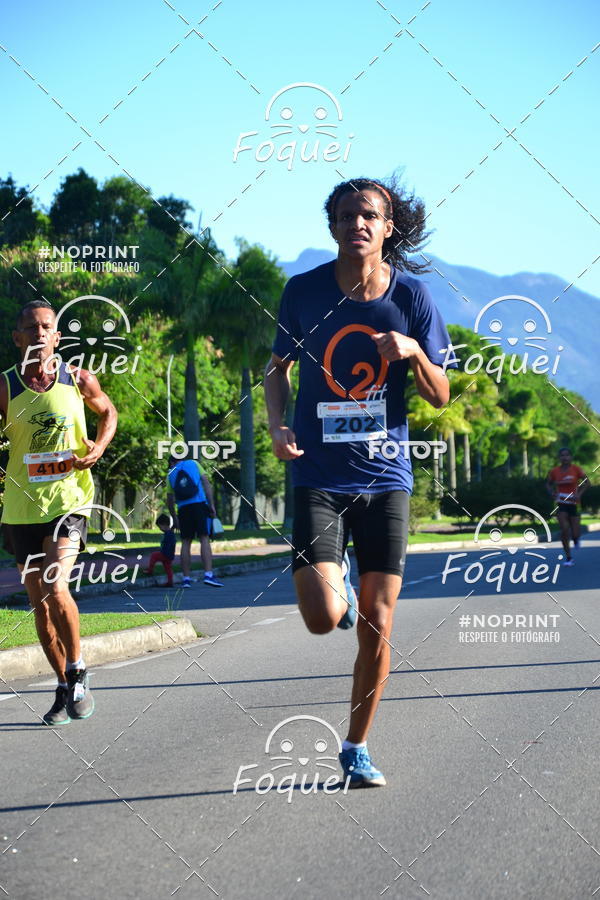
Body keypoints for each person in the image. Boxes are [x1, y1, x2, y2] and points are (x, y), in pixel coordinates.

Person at [265, 177, 455, 787]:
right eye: (347, 216)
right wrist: (276, 425)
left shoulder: (413, 299)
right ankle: (335, 581)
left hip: (386, 479)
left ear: (388, 225)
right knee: (324, 617)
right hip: (319, 476)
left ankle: (356, 746)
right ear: (333, 227)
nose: (358, 225)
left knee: (378, 620)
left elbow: (441, 393)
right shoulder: (303, 292)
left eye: (369, 216)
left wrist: (412, 353)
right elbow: (277, 370)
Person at [0, 300, 117, 725]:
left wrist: (99, 447)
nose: (39, 334)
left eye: (46, 327)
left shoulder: (78, 378)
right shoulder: (5, 387)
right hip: (20, 508)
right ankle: (64, 684)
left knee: (55, 583)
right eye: (30, 328)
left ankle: (79, 669)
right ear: (17, 338)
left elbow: (108, 412)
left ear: (57, 336)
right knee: (39, 604)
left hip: (69, 502)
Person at [166, 454, 223, 587]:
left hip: (183, 509)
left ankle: (186, 579)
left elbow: (169, 499)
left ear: (171, 462)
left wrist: (174, 517)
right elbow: (206, 484)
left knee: (186, 542)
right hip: (199, 506)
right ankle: (208, 574)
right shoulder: (194, 464)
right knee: (204, 538)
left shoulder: (170, 474)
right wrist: (211, 505)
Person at [546, 447, 589, 566]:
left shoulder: (576, 469)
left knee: (575, 533)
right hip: (561, 503)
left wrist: (579, 494)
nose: (565, 457)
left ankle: (575, 539)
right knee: (564, 529)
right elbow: (548, 485)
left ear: (571, 457)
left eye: (567, 455)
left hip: (574, 504)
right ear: (559, 458)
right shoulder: (554, 471)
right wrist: (551, 493)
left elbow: (587, 482)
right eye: (562, 455)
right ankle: (569, 558)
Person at [144, 513, 176, 587]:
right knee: (168, 568)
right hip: (170, 555)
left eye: (160, 527)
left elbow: (168, 544)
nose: (160, 529)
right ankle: (170, 581)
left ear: (164, 525)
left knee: (154, 555)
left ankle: (150, 570)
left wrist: (163, 551)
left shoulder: (168, 534)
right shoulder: (170, 533)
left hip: (165, 553)